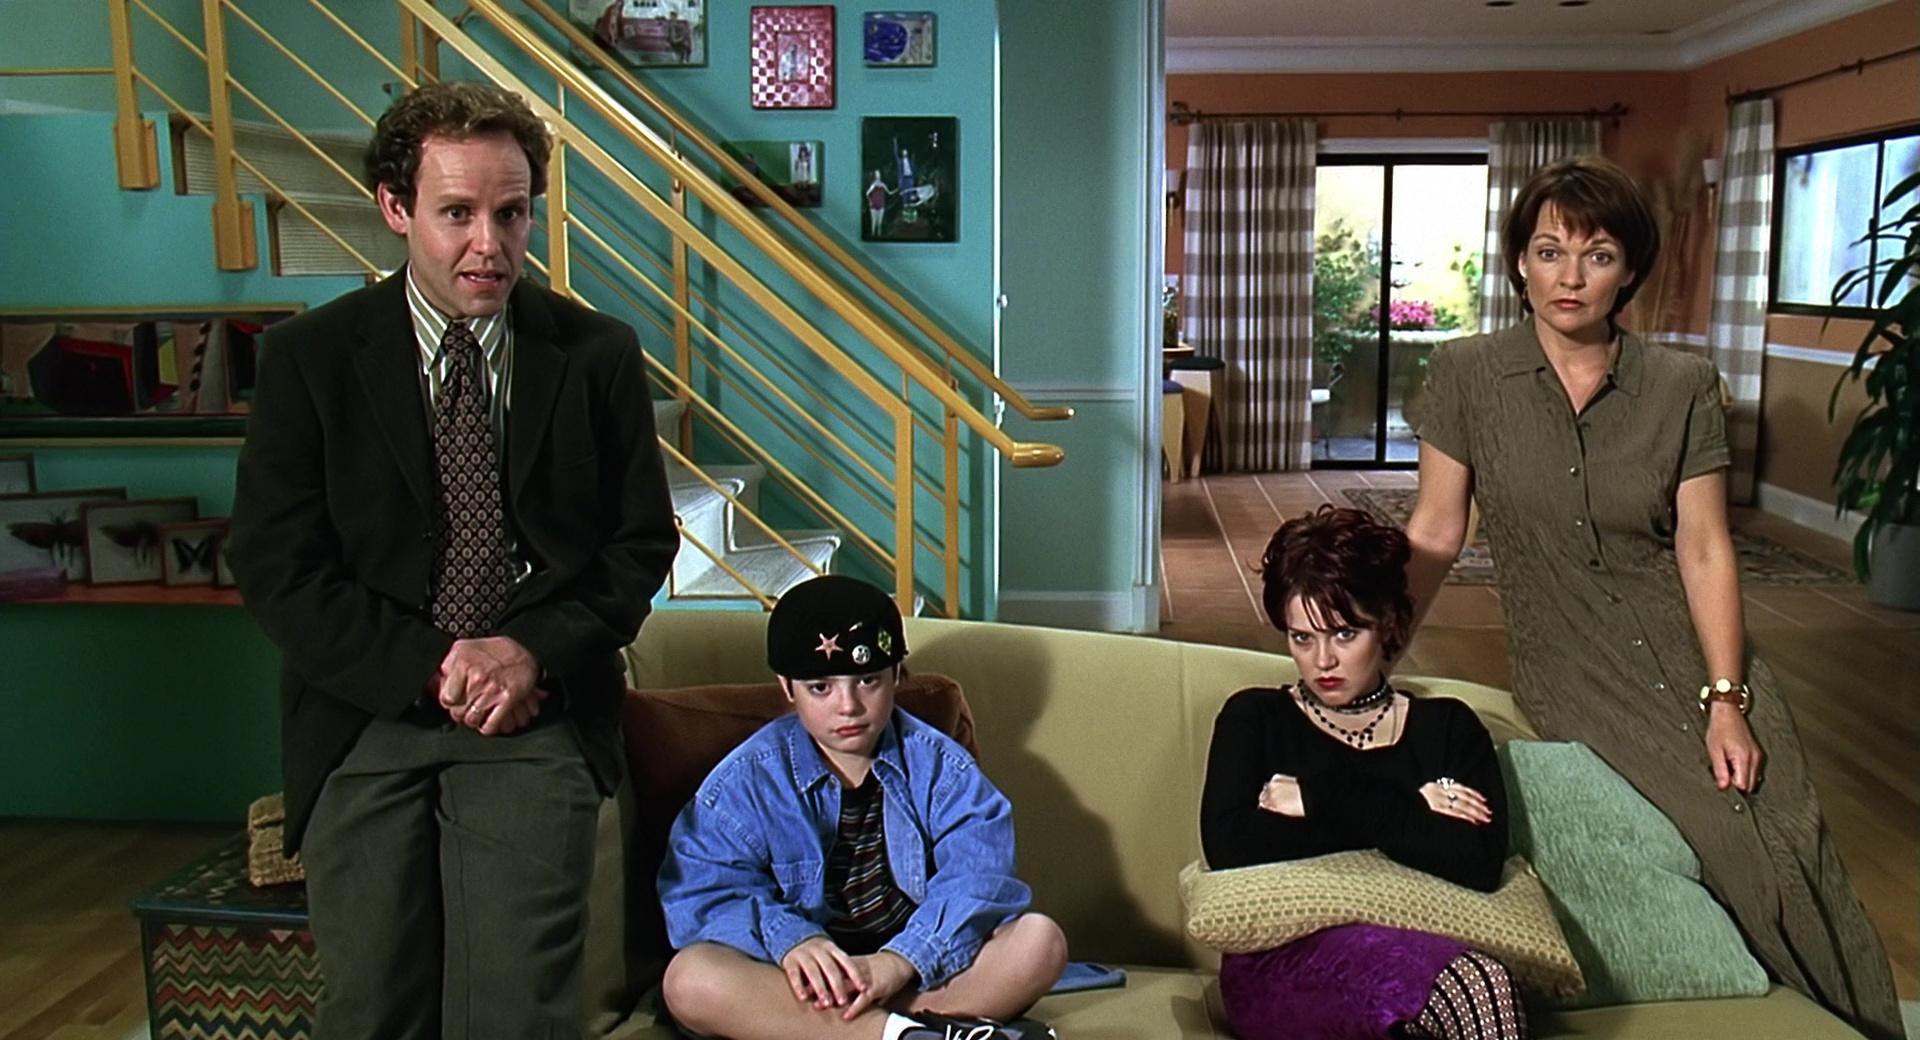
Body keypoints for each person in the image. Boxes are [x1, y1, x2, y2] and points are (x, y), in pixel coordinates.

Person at [1404, 154, 1900, 1040]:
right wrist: (1373, 648)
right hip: (1574, 664)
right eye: (1550, 252)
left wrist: (1728, 700)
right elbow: (1437, 533)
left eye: (1597, 256)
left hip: (1698, 655)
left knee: (1796, 839)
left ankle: (1859, 1025)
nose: (1570, 276)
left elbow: (1704, 548)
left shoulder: (1680, 384)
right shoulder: (1466, 374)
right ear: (1518, 261)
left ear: (1629, 270)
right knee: (1734, 844)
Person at [227, 80, 679, 1039]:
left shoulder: (596, 354)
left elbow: (639, 544)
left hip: (535, 708)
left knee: (513, 1011)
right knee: (371, 1008)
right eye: (458, 214)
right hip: (364, 709)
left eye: (512, 214)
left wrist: (526, 654)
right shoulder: (308, 360)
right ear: (396, 209)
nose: (490, 245)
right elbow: (277, 566)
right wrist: (434, 667)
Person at [657, 575, 1067, 1040]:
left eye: (868, 680)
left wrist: (899, 960)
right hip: (797, 983)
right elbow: (703, 894)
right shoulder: (746, 780)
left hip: (911, 973)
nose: (848, 706)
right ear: (787, 687)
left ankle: (876, 1027)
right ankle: (907, 1034)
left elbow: (981, 877)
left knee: (1040, 942)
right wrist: (791, 939)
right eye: (820, 688)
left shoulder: (941, 766)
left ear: (896, 674)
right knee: (689, 979)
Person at [1201, 506, 1527, 1040]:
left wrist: (1319, 799)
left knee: (1470, 988)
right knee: (1473, 985)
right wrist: (1411, 810)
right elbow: (1232, 847)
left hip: (1425, 943)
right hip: (1285, 959)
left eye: (1345, 634)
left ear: (1389, 624)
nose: (1322, 661)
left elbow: (1476, 862)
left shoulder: (1447, 727)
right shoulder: (1255, 718)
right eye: (1302, 638)